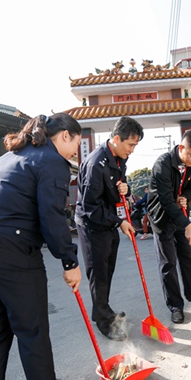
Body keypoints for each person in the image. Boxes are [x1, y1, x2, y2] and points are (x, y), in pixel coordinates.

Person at [0, 114, 87, 380]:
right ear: (66, 135)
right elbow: (52, 215)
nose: (75, 153)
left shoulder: (9, 156)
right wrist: (69, 261)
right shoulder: (52, 161)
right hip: (11, 249)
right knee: (32, 330)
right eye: (77, 144)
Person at [74, 116, 144, 341]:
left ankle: (104, 308)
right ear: (116, 139)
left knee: (108, 270)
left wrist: (125, 187)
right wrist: (119, 222)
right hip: (93, 224)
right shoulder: (96, 163)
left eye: (135, 145)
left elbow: (116, 187)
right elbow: (90, 206)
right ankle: (103, 321)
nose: (132, 150)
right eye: (130, 145)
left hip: (108, 220)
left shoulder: (118, 158)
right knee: (99, 273)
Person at [147, 130, 191, 324]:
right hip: (162, 217)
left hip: (181, 213)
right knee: (168, 264)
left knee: (188, 257)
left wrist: (187, 197)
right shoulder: (163, 164)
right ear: (181, 147)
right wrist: (188, 225)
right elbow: (166, 201)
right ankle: (175, 305)